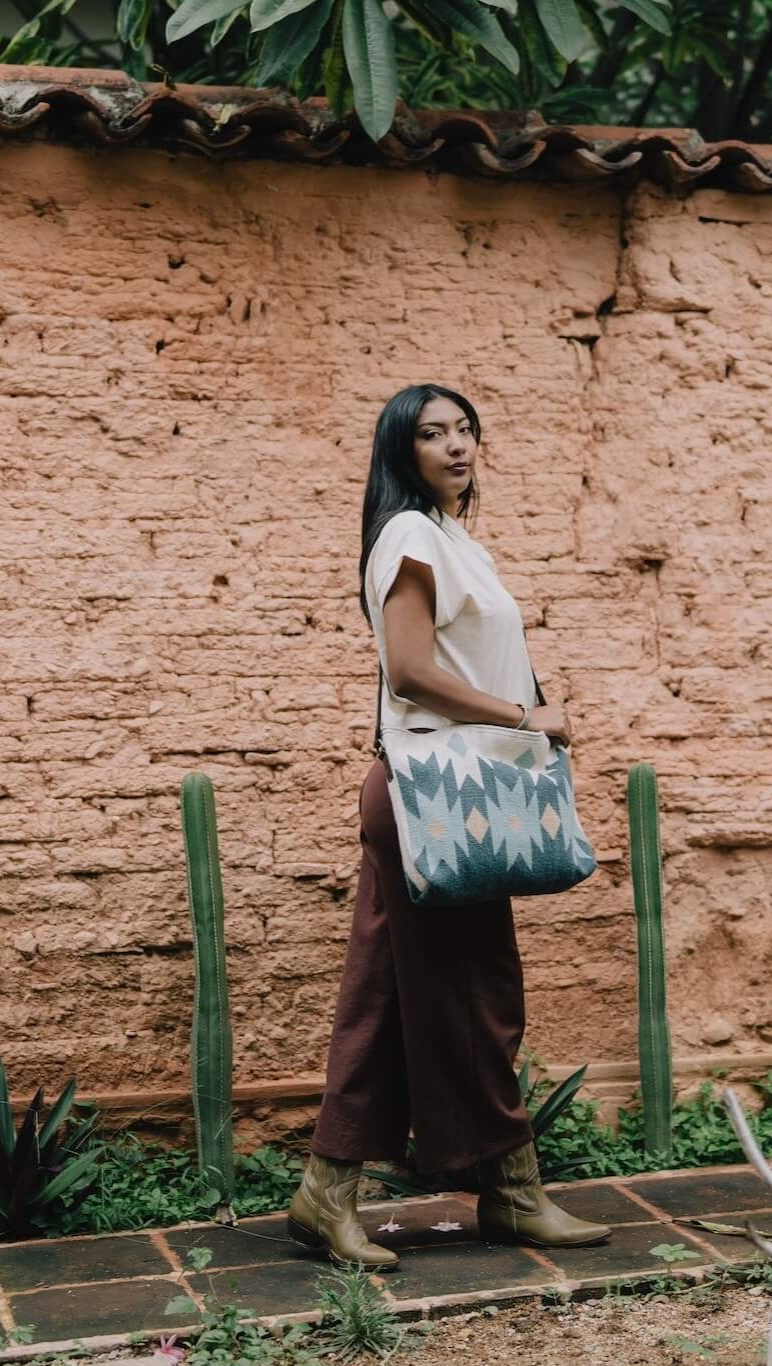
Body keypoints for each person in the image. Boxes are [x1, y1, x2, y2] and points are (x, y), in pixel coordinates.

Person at [286, 384, 610, 1269]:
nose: (456, 446)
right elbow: (411, 670)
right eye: (433, 434)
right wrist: (523, 715)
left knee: (417, 997)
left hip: (461, 794)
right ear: (403, 451)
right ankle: (504, 1194)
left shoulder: (459, 540)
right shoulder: (409, 536)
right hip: (433, 794)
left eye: (465, 429)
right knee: (470, 996)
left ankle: (350, 1194)